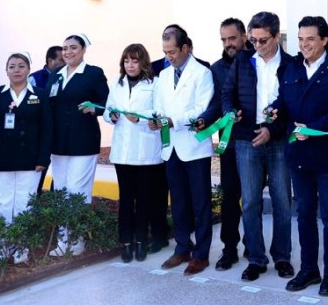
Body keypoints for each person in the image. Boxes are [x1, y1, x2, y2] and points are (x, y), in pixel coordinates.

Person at [279, 16, 328, 296]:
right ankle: (309, 269)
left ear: (324, 40)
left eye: (310, 39)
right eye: (300, 39)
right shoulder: (291, 68)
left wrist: (314, 129)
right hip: (299, 155)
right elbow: (283, 102)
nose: (304, 44)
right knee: (305, 214)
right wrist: (273, 113)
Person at [222, 11, 295, 282]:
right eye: (253, 40)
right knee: (250, 201)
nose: (258, 45)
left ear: (276, 36)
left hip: (276, 140)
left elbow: (290, 103)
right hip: (246, 140)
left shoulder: (290, 64)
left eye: (263, 40)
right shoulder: (242, 61)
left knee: (282, 202)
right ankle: (256, 257)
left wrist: (271, 129)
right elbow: (227, 93)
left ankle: (283, 257)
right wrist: (231, 112)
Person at [150, 26, 217, 275]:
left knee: (200, 204)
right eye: (165, 52)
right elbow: (158, 105)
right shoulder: (164, 76)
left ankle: (201, 254)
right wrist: (156, 119)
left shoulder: (202, 73)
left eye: (172, 52)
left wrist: (171, 120)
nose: (168, 57)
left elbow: (202, 108)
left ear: (185, 48)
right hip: (171, 148)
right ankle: (182, 248)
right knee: (178, 202)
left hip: (194, 147)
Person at [0, 52, 51, 264]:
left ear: (29, 69)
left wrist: (42, 159)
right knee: (3, 207)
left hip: (31, 161)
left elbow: (47, 130)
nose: (16, 70)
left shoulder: (41, 95)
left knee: (24, 206)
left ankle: (21, 252)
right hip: (0, 160)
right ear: (6, 70)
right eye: (12, 66)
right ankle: (2, 250)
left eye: (21, 66)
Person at [104, 44, 168, 263]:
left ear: (143, 63)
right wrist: (110, 117)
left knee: (143, 201)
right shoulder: (117, 84)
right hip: (123, 153)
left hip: (145, 153)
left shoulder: (154, 84)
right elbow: (108, 109)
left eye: (134, 61)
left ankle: (141, 241)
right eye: (126, 61)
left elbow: (159, 111)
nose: (130, 65)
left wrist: (139, 117)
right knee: (126, 200)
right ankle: (126, 243)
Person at [48, 34, 109, 256]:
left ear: (83, 50)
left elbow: (107, 103)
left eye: (73, 47)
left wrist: (96, 108)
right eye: (65, 48)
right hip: (59, 143)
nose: (68, 52)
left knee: (78, 191)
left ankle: (77, 240)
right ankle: (63, 241)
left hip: (83, 142)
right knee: (62, 191)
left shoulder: (93, 73)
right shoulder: (56, 75)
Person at [209, 17, 249, 270]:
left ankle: (257, 250)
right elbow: (215, 104)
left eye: (232, 38)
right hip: (231, 144)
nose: (228, 44)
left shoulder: (259, 61)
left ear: (244, 36)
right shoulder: (217, 68)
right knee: (230, 198)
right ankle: (230, 249)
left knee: (255, 200)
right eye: (224, 39)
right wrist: (204, 121)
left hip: (260, 142)